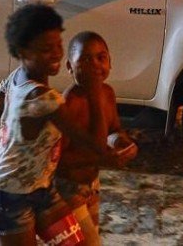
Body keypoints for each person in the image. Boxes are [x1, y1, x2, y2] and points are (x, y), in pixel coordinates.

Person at [0, 5, 130, 245]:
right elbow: (97, 146)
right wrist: (94, 88)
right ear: (22, 52)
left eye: (58, 45)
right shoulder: (45, 99)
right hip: (8, 197)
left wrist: (17, 131)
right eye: (46, 49)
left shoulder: (17, 78)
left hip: (41, 191)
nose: (56, 54)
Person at [55, 31, 137, 244]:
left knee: (89, 235)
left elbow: (113, 129)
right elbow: (58, 160)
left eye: (101, 58)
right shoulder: (69, 104)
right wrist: (101, 159)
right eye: (85, 59)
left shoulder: (107, 93)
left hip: (91, 184)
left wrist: (121, 142)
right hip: (67, 187)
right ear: (69, 66)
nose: (94, 65)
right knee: (90, 242)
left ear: (111, 62)